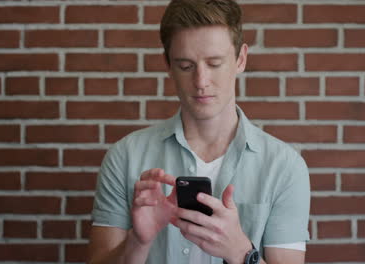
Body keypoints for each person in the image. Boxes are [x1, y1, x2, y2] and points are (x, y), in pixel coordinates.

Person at [87, 0, 310, 263]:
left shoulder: (285, 167)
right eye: (186, 66)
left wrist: (241, 252)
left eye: (214, 63)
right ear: (168, 64)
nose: (201, 82)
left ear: (241, 59)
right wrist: (138, 241)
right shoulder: (125, 157)